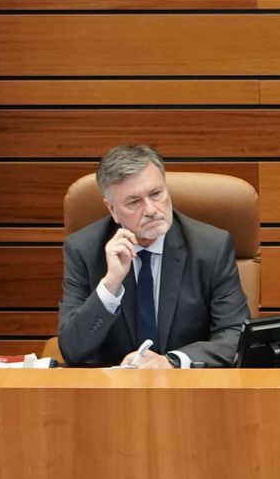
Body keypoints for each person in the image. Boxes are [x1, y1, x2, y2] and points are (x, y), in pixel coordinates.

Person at [57, 144, 250, 368]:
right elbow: (72, 350)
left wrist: (172, 362)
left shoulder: (211, 247)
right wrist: (110, 284)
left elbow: (235, 335)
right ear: (112, 210)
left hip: (188, 388)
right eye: (134, 202)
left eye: (156, 194)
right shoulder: (84, 250)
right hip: (114, 391)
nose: (150, 209)